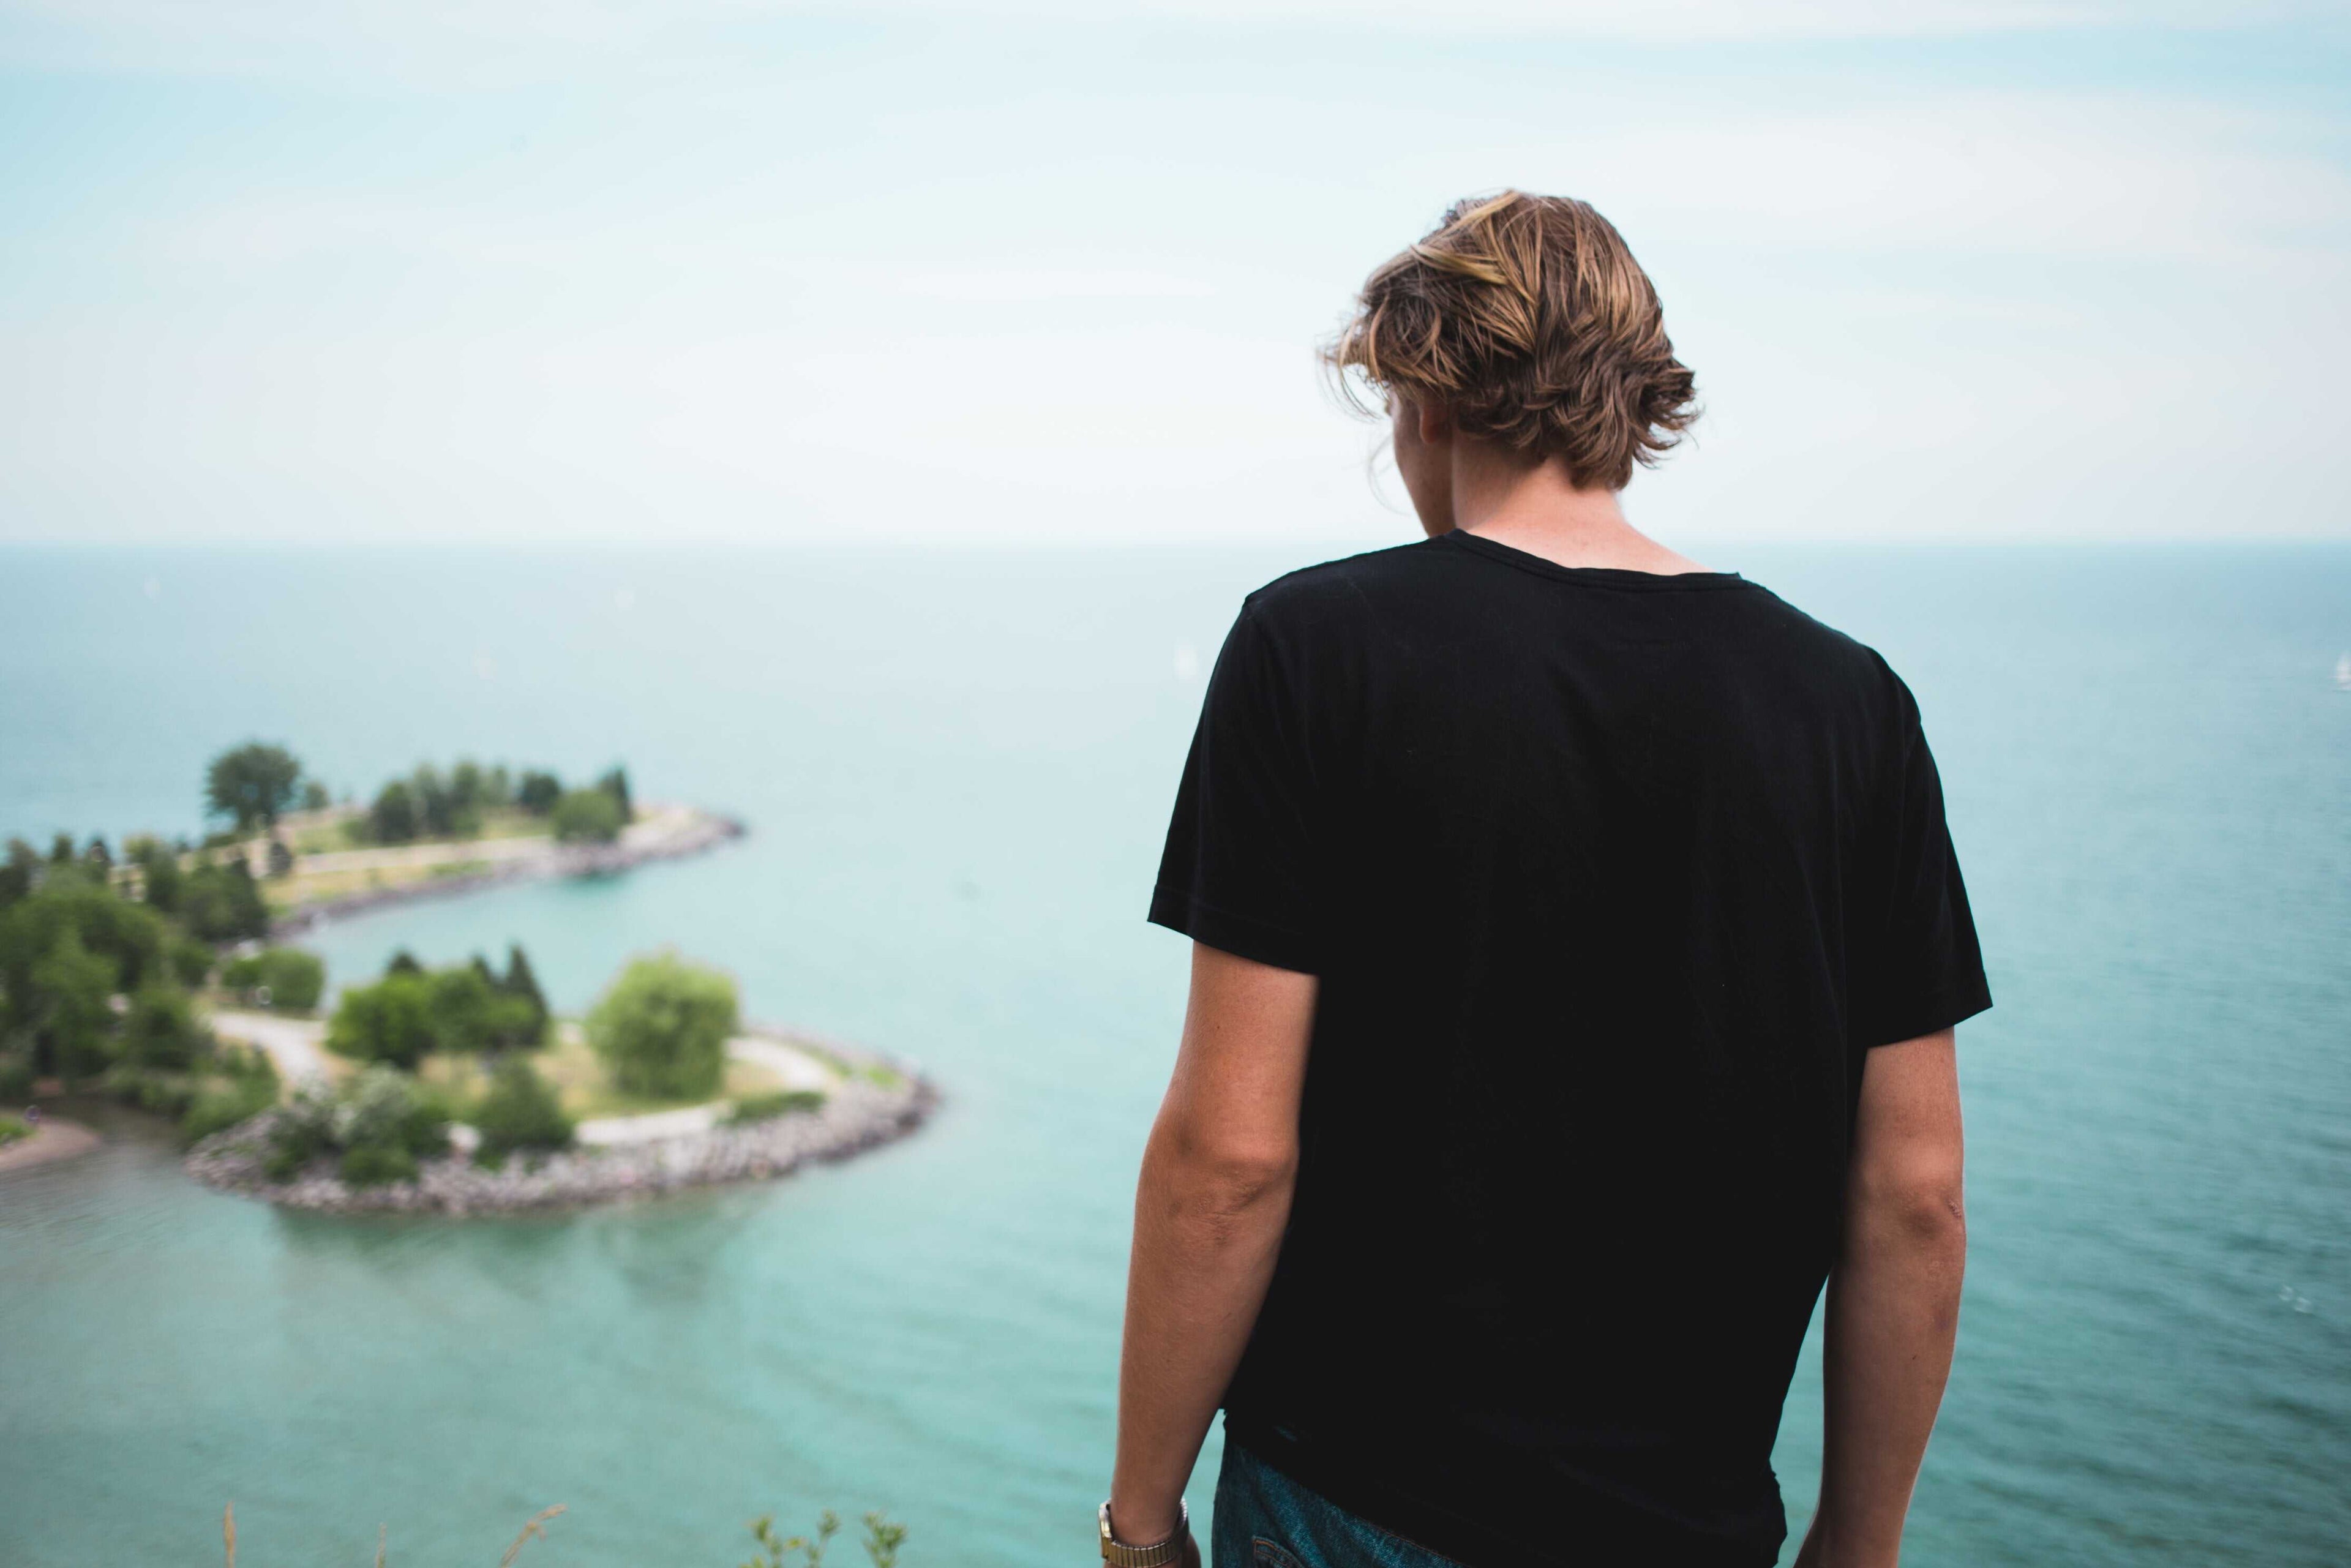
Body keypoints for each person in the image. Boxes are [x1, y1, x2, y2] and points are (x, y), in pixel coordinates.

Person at [1101, 191, 1989, 1568]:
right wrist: (1855, 1547)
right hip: (1692, 1530)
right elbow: (1915, 1196)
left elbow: (1230, 1157)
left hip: (1353, 1505)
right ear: (1630, 400)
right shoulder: (1851, 706)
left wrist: (1141, 1520)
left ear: (1426, 395)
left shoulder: (1314, 649)